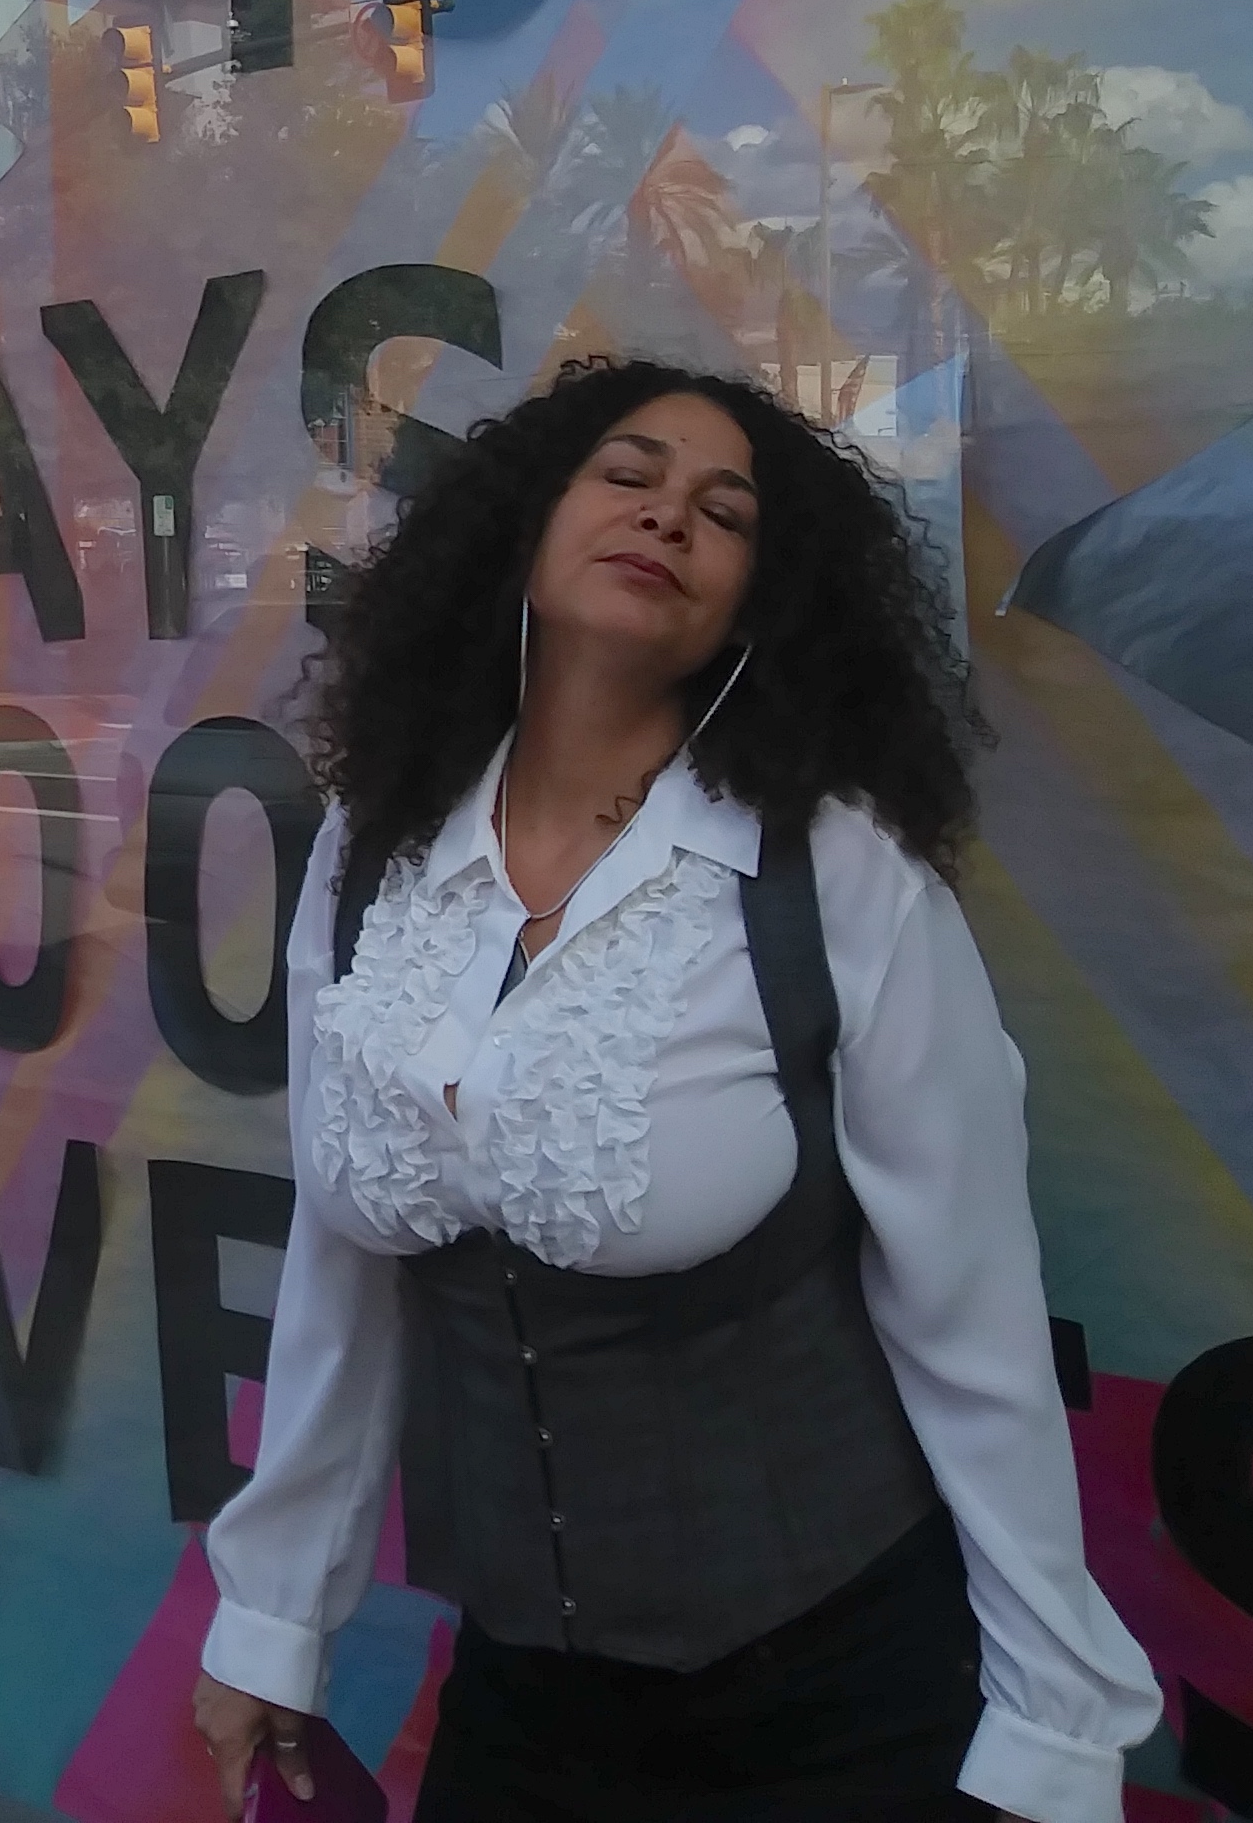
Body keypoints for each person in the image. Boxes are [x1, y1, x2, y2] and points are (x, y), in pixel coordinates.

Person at [192, 358, 1156, 1822]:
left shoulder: (832, 874)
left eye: (725, 513)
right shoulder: (373, 853)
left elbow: (973, 1323)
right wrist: (273, 1617)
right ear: (527, 524)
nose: (667, 520)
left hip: (836, 1696)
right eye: (626, 477)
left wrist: (1054, 1733)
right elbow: (344, 1262)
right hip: (524, 1695)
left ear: (760, 601)